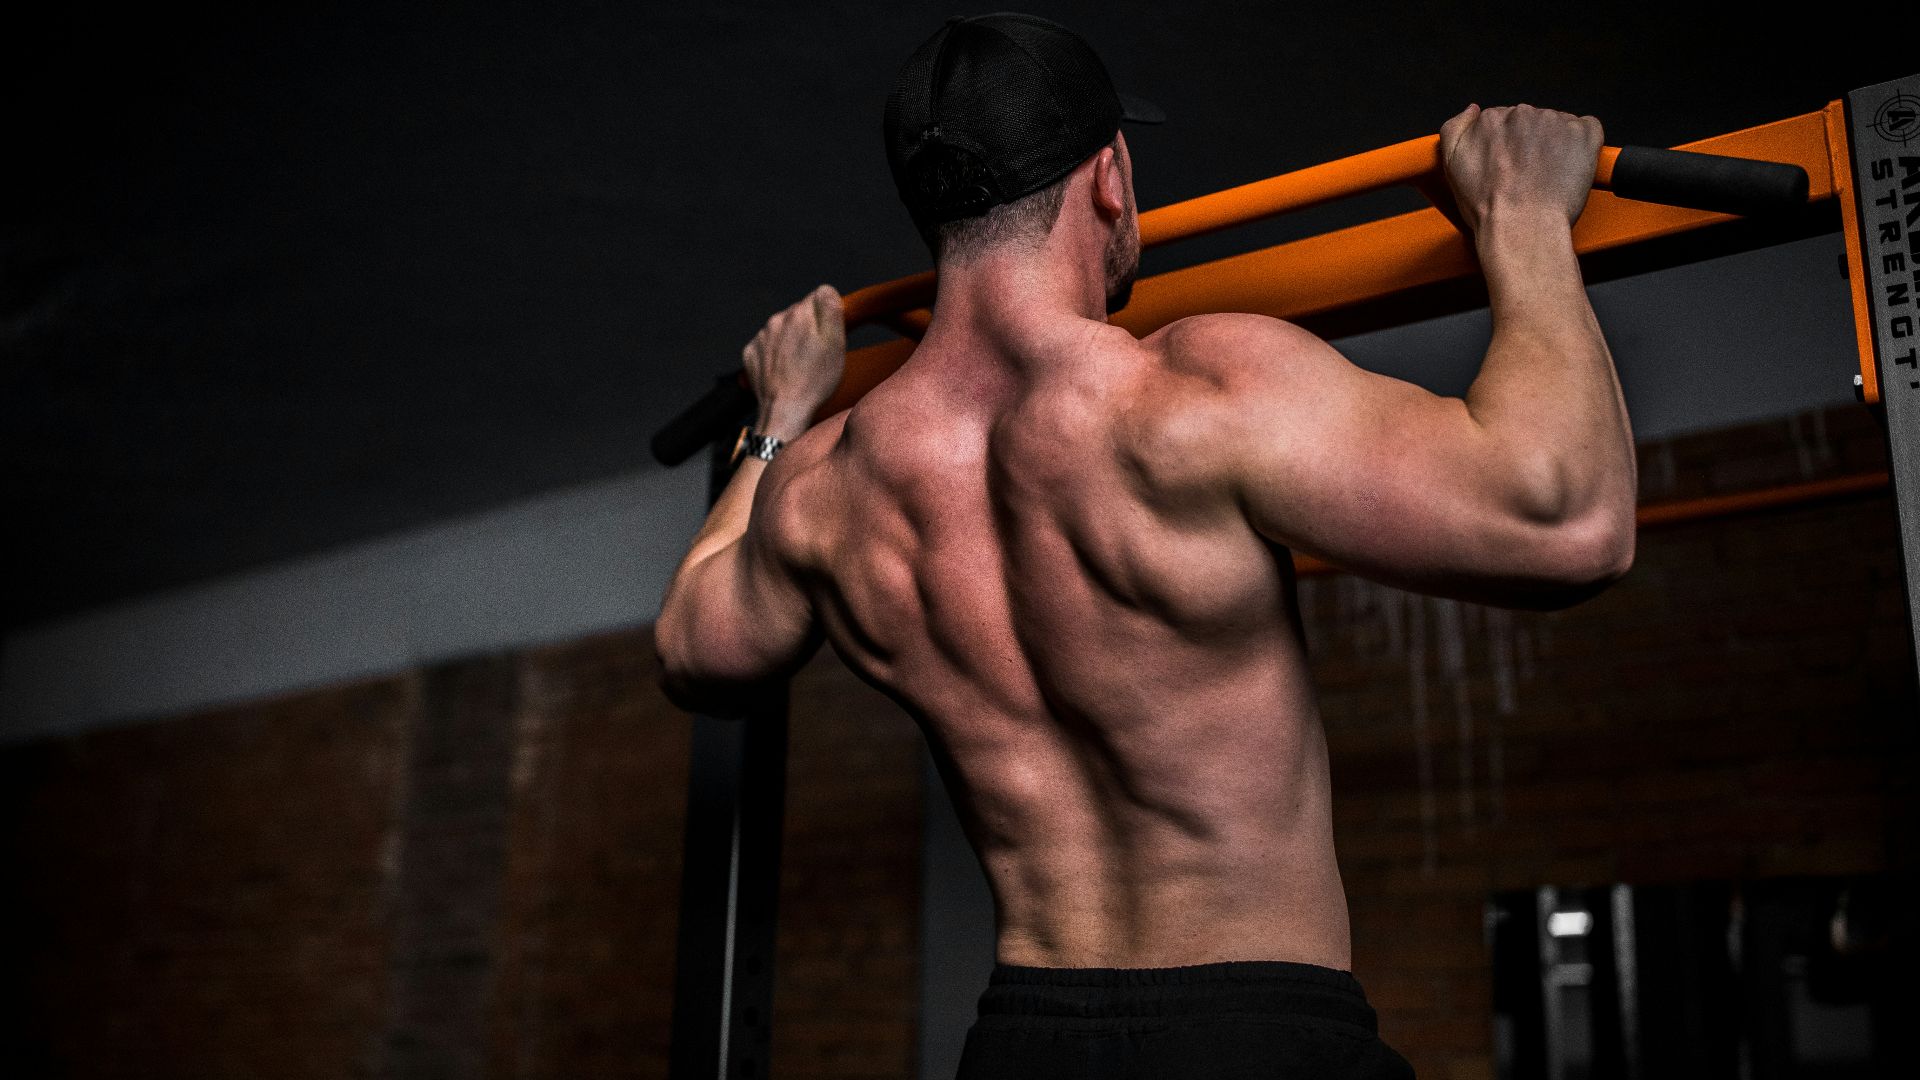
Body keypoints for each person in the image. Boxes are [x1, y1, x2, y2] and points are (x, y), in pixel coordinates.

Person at [655, 11, 1636, 1078]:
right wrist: (1523, 218)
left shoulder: (828, 486)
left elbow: (694, 650)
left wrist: (778, 419)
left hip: (1022, 1046)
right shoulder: (1192, 393)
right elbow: (1570, 522)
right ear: (1110, 177)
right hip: (1255, 1039)